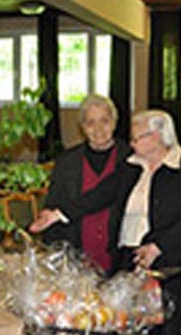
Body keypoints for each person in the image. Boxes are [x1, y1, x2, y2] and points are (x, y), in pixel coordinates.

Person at [31, 110, 181, 335]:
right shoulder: (131, 166)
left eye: (137, 138)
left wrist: (158, 246)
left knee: (166, 321)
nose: (131, 144)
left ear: (157, 136)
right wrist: (57, 214)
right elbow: (99, 194)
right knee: (131, 319)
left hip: (165, 254)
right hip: (128, 252)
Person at [41, 94, 130, 273]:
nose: (98, 129)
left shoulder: (130, 157)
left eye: (104, 121)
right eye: (90, 123)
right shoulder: (67, 162)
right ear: (82, 127)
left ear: (114, 123)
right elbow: (53, 207)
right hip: (76, 258)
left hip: (119, 258)